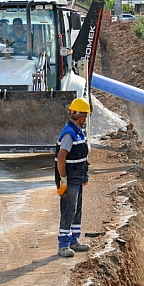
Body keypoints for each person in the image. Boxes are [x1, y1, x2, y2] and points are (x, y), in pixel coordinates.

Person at [54, 97, 92, 257]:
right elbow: (62, 157)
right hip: (70, 178)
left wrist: (84, 176)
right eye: (85, 116)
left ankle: (74, 241)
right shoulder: (69, 134)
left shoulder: (78, 133)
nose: (85, 119)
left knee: (77, 209)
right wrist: (63, 179)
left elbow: (81, 156)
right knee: (69, 210)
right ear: (81, 116)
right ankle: (63, 245)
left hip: (77, 177)